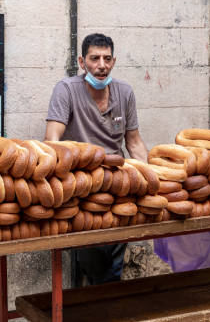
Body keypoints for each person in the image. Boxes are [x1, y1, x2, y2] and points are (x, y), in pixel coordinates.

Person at [45, 33, 148, 285]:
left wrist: (150, 178)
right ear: (82, 62)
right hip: (82, 189)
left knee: (113, 254)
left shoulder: (124, 93)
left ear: (113, 62)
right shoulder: (67, 89)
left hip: (118, 187)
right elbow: (52, 140)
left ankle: (105, 298)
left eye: (107, 59)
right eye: (94, 59)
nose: (101, 65)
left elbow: (133, 142)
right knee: (94, 259)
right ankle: (98, 297)